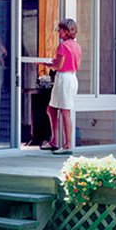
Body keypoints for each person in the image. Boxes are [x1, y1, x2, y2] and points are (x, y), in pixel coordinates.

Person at [42, 18, 82, 155]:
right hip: (70, 77)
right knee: (51, 109)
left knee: (65, 111)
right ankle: (54, 141)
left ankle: (67, 145)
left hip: (64, 78)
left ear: (65, 31)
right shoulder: (76, 46)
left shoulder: (63, 46)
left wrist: (45, 64)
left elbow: (58, 65)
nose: (58, 32)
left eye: (60, 29)